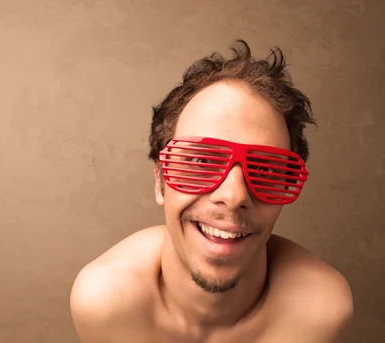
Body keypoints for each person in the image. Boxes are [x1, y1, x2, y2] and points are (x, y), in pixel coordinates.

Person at [69, 40, 354, 343]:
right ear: (159, 180)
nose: (233, 196)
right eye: (201, 161)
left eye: (266, 169)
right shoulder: (107, 302)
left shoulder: (319, 311)